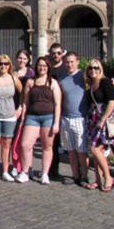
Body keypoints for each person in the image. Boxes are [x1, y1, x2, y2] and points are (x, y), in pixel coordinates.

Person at [16, 57, 62, 185]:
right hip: (32, 117)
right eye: (40, 65)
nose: (42, 68)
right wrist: (23, 117)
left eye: (45, 66)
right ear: (36, 67)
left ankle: (45, 173)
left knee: (47, 147)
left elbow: (58, 104)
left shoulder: (53, 83)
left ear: (48, 68)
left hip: (48, 117)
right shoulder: (30, 82)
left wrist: (56, 123)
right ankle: (25, 172)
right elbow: (25, 101)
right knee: (25, 145)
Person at [84, 59, 114, 192]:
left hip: (104, 119)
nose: (93, 70)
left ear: (100, 69)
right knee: (97, 152)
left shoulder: (105, 82)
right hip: (93, 120)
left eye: (96, 68)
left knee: (95, 149)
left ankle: (108, 177)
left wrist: (102, 119)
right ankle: (98, 181)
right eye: (91, 68)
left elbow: (111, 102)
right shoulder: (90, 84)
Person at [58, 52, 90, 186]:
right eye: (67, 62)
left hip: (80, 118)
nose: (69, 64)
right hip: (65, 118)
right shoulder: (62, 78)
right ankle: (75, 175)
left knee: (82, 151)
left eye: (72, 61)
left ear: (77, 61)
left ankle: (84, 176)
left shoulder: (84, 76)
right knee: (70, 150)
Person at [0, 54, 23, 182]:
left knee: (6, 143)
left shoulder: (14, 79)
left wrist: (20, 107)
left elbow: (23, 92)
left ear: (10, 65)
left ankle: (4, 171)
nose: (3, 66)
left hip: (10, 116)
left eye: (6, 63)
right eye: (1, 63)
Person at [11, 49, 35, 178]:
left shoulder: (32, 73)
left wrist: (22, 107)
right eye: (20, 58)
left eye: (24, 58)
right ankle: (15, 165)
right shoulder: (11, 72)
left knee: (26, 140)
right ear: (16, 59)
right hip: (13, 107)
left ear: (28, 60)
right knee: (14, 138)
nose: (22, 60)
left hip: (27, 108)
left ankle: (27, 166)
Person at [48, 42, 67, 179]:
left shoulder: (66, 69)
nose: (56, 55)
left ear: (62, 54)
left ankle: (79, 172)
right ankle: (53, 171)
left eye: (58, 53)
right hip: (50, 109)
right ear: (50, 54)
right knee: (52, 143)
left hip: (65, 108)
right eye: (53, 53)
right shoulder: (47, 68)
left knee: (72, 144)